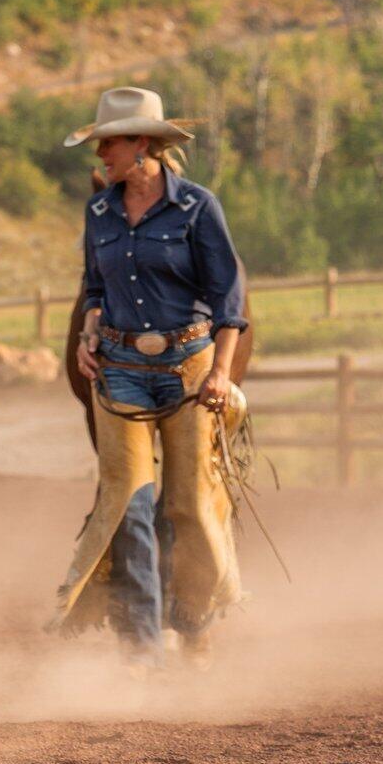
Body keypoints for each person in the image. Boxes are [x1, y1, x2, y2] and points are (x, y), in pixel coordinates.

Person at [51, 86, 248, 661]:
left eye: (108, 143)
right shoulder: (99, 210)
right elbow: (95, 285)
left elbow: (227, 297)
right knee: (129, 505)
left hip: (189, 369)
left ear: (142, 144)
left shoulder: (197, 208)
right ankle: (141, 647)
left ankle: (195, 621)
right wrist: (89, 336)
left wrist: (222, 372)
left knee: (189, 503)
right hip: (120, 369)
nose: (100, 155)